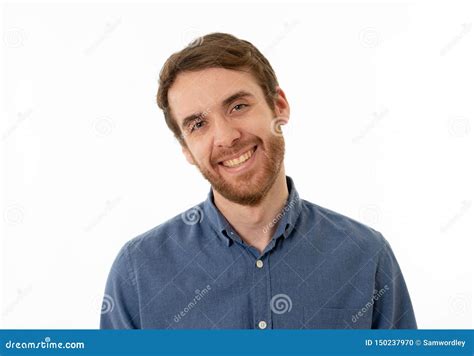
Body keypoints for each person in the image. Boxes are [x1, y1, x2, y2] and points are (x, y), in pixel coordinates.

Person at [100, 33, 417, 329]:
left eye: (237, 106)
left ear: (279, 106)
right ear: (186, 148)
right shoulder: (138, 272)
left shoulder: (365, 255)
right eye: (198, 124)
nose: (226, 137)